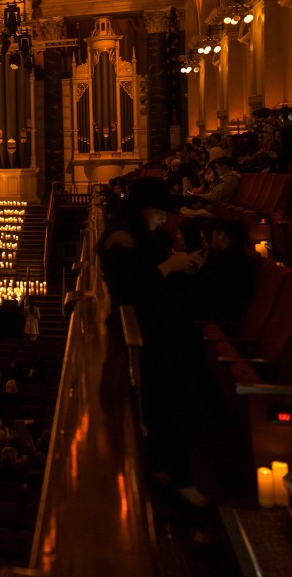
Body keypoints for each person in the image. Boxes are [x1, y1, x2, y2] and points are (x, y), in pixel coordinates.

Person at [98, 176, 208, 507]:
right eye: (160, 212)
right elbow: (131, 289)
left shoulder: (140, 234)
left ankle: (161, 467)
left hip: (160, 327)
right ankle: (179, 477)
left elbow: (149, 275)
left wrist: (182, 267)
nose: (164, 219)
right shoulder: (121, 237)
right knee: (181, 400)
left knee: (169, 403)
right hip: (142, 331)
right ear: (145, 209)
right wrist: (169, 266)